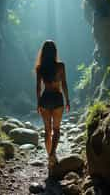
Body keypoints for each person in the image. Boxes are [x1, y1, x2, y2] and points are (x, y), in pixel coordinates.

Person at [35, 40, 70, 169]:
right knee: (56, 129)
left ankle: (49, 155)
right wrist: (67, 100)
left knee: (47, 130)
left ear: (43, 52)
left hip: (45, 99)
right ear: (55, 51)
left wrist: (38, 103)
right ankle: (52, 154)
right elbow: (64, 84)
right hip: (57, 99)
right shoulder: (60, 66)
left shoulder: (40, 68)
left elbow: (38, 87)